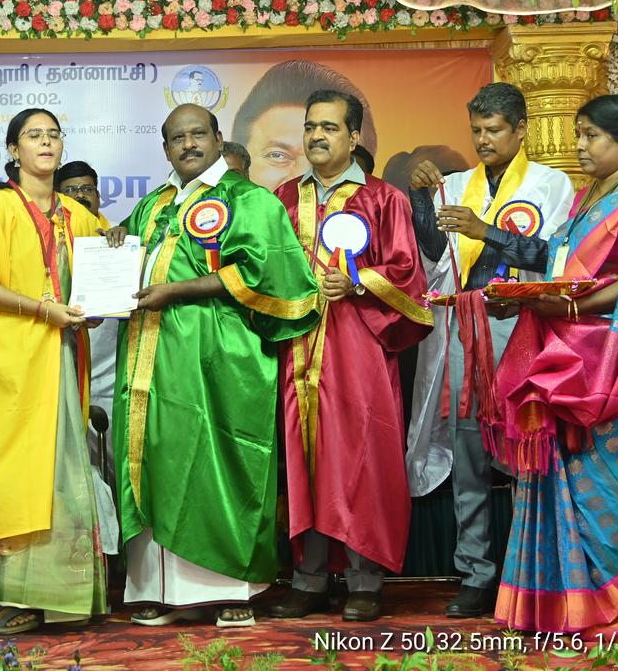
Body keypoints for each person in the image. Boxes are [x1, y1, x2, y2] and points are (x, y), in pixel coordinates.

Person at [115, 104, 319, 629]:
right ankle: (158, 591)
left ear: (217, 137)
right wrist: (115, 240)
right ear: (165, 149)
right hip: (154, 357)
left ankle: (232, 587)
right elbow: (128, 257)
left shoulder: (247, 199)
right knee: (159, 459)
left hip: (219, 358)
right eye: (176, 138)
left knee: (219, 460)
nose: (188, 144)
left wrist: (177, 291)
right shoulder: (156, 205)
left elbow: (265, 271)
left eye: (197, 134)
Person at [489, 94, 618, 636]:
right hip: (565, 355)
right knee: (562, 478)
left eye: (591, 136)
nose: (579, 145)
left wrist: (565, 304)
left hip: (612, 363)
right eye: (577, 134)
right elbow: (559, 264)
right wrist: (525, 295)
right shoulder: (590, 195)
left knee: (616, 480)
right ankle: (563, 607)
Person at [0, 109, 112, 635]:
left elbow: (97, 285)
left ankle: (52, 595)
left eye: (54, 134)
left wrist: (97, 300)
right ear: (14, 150)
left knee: (56, 473)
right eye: (34, 135)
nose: (47, 143)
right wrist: (39, 308)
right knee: (4, 477)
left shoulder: (78, 217)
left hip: (57, 358)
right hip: (4, 364)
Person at [404, 83, 574, 618]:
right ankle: (476, 572)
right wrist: (418, 200)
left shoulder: (553, 185)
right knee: (469, 453)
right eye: (476, 130)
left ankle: (530, 572)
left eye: (494, 130)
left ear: (521, 129)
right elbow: (433, 254)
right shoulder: (456, 184)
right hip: (462, 328)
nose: (482, 140)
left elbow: (552, 257)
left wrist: (488, 231)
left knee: (529, 452)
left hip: (522, 328)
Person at [274, 90, 432, 623]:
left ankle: (365, 580)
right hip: (298, 351)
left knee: (360, 458)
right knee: (305, 459)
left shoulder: (385, 200)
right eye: (311, 126)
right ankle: (310, 578)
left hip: (359, 348)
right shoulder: (283, 199)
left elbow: (410, 276)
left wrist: (360, 281)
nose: (317, 136)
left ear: (354, 136)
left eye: (330, 127)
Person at [231, 60, 379, 192]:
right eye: (277, 155)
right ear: (241, 164)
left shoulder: (384, 204)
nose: (301, 180)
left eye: (326, 158)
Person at [54, 160, 116, 474]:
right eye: (70, 190)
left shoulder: (119, 240)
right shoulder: (51, 243)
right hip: (64, 364)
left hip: (114, 376)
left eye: (87, 189)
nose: (81, 196)